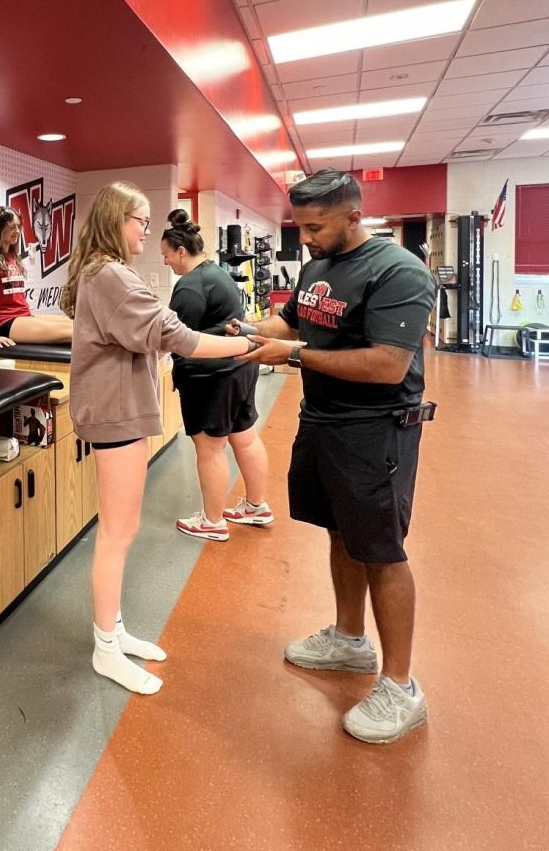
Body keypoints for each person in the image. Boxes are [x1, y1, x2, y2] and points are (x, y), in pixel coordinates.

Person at [61, 182, 294, 696]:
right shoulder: (112, 276)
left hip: (120, 412)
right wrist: (248, 345)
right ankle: (105, 647)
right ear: (118, 218)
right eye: (141, 221)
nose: (148, 231)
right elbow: (178, 337)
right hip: (116, 416)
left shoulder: (102, 273)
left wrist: (244, 342)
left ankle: (114, 630)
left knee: (122, 529)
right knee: (118, 533)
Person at [236, 169, 436, 744]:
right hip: (323, 421)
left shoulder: (398, 271)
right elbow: (294, 322)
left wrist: (292, 355)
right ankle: (350, 641)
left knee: (382, 550)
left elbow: (386, 365)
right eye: (300, 226)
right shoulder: (318, 264)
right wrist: (246, 333)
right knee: (340, 533)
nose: (305, 238)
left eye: (315, 226)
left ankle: (401, 686)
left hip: (377, 430)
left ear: (354, 216)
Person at [160, 209, 274, 542]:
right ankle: (256, 506)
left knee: (209, 448)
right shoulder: (217, 273)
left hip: (212, 377)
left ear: (181, 252)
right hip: (241, 367)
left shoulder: (190, 287)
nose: (166, 262)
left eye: (166, 256)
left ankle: (212, 521)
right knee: (246, 437)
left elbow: (177, 339)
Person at [0, 206, 73, 346]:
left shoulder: (13, 257)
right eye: (12, 227)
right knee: (73, 332)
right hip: (5, 322)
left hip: (23, 316)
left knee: (76, 323)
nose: (17, 231)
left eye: (18, 227)